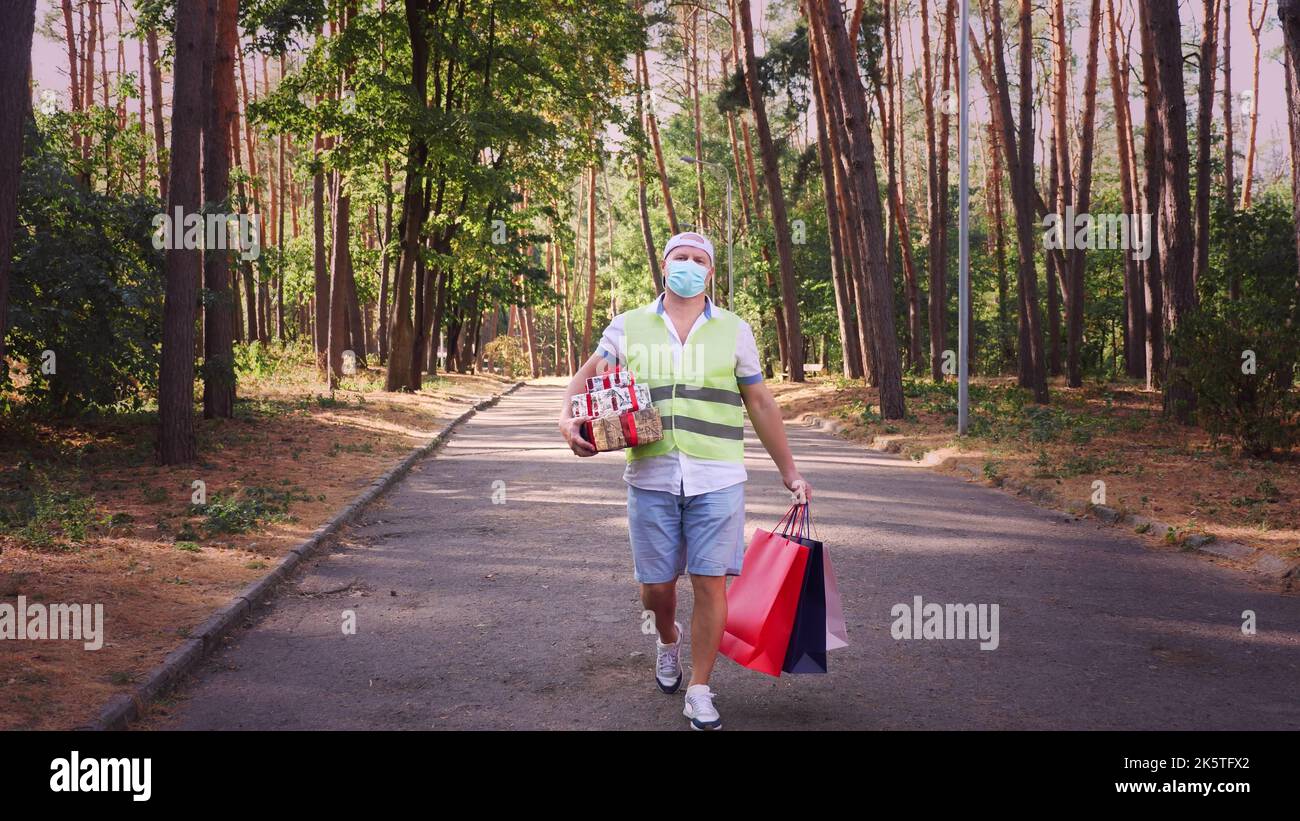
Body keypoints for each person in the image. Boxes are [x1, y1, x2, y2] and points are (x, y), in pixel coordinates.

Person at [557, 230, 812, 730]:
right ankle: (668, 639)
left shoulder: (734, 330)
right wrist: (566, 420)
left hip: (718, 475)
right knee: (655, 588)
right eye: (681, 257)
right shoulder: (629, 327)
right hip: (651, 473)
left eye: (699, 259)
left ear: (710, 273)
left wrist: (790, 471)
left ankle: (700, 686)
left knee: (710, 582)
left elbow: (760, 403)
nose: (689, 265)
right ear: (665, 266)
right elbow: (585, 378)